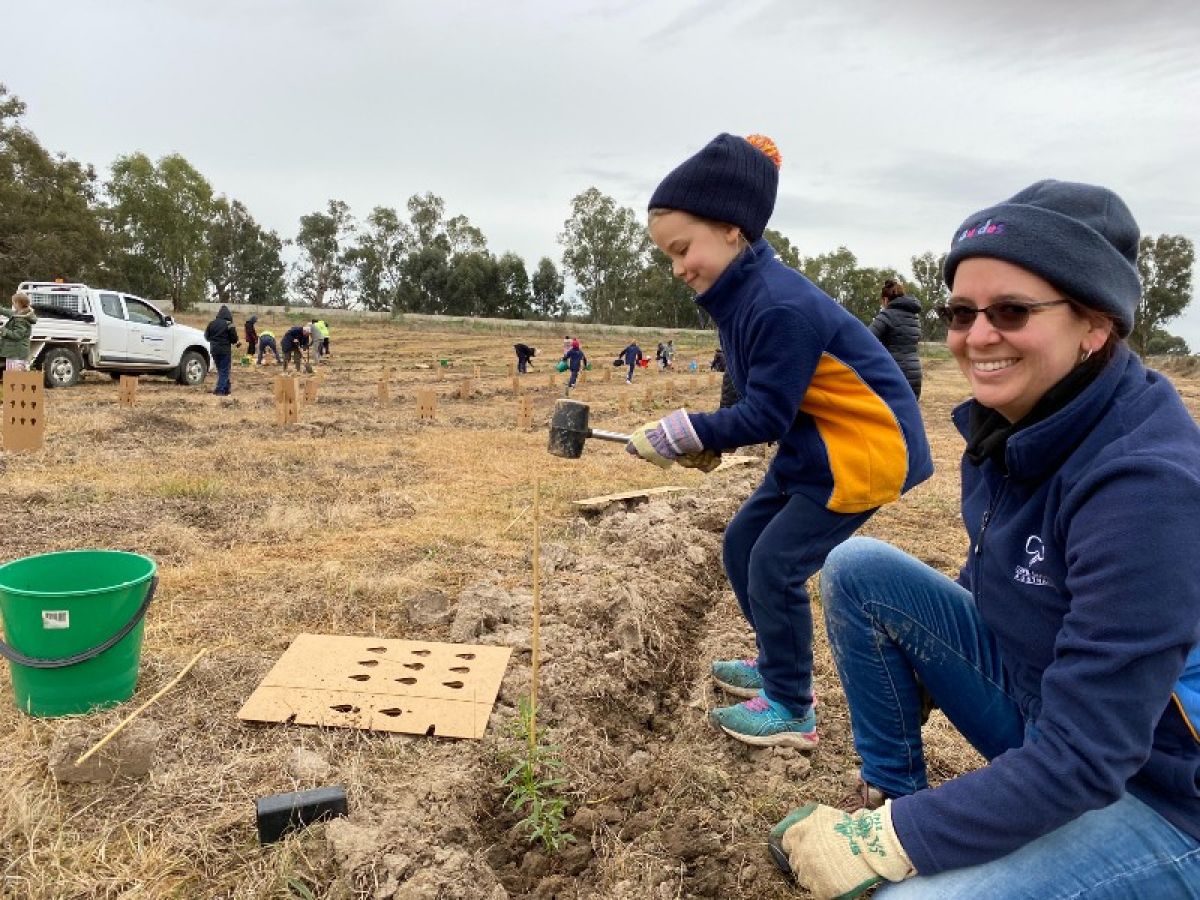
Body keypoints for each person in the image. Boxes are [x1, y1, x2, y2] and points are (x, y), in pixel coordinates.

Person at [772, 181, 1200, 898]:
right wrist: (902, 817)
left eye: (1011, 311)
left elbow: (1088, 758)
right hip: (1051, 718)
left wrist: (897, 848)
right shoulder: (1014, 424)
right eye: (961, 312)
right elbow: (997, 586)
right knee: (858, 567)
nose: (977, 336)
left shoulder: (1146, 484)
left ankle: (889, 842)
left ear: (1095, 324)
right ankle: (889, 799)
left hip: (1158, 794)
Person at [626, 132, 932, 749]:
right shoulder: (738, 296)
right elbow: (749, 383)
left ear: (733, 228)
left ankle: (793, 707)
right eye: (669, 256)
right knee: (742, 546)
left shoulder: (778, 304)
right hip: (812, 448)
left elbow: (765, 412)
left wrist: (684, 430)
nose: (679, 267)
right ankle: (777, 663)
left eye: (684, 248)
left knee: (775, 565)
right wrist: (708, 437)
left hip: (859, 453)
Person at [868, 279, 923, 398]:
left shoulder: (886, 315)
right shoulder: (914, 317)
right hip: (915, 373)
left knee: (890, 414)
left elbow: (867, 340)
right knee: (908, 412)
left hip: (893, 373)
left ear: (885, 299)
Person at [203, 304, 239, 395]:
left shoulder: (212, 323)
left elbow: (206, 336)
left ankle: (226, 388)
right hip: (224, 350)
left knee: (221, 370)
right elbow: (234, 338)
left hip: (214, 350)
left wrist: (214, 341)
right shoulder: (229, 324)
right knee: (224, 370)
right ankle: (219, 390)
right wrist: (234, 342)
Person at [0, 292, 37, 377]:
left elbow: (17, 336)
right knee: (15, 379)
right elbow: (8, 312)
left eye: (13, 303)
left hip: (17, 353)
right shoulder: (20, 314)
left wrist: (3, 330)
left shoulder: (21, 319)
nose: (13, 305)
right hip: (15, 352)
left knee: (15, 379)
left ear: (18, 304)